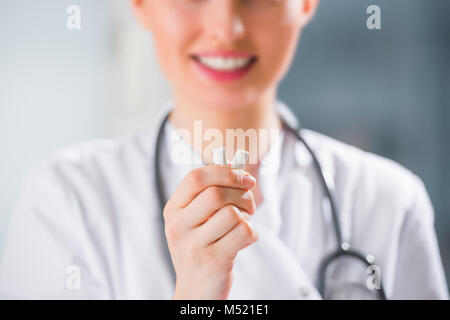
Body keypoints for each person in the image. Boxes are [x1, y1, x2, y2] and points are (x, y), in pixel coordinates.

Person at [0, 0, 448, 299]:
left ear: (307, 3)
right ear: (140, 4)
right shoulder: (65, 201)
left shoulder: (389, 201)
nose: (226, 27)